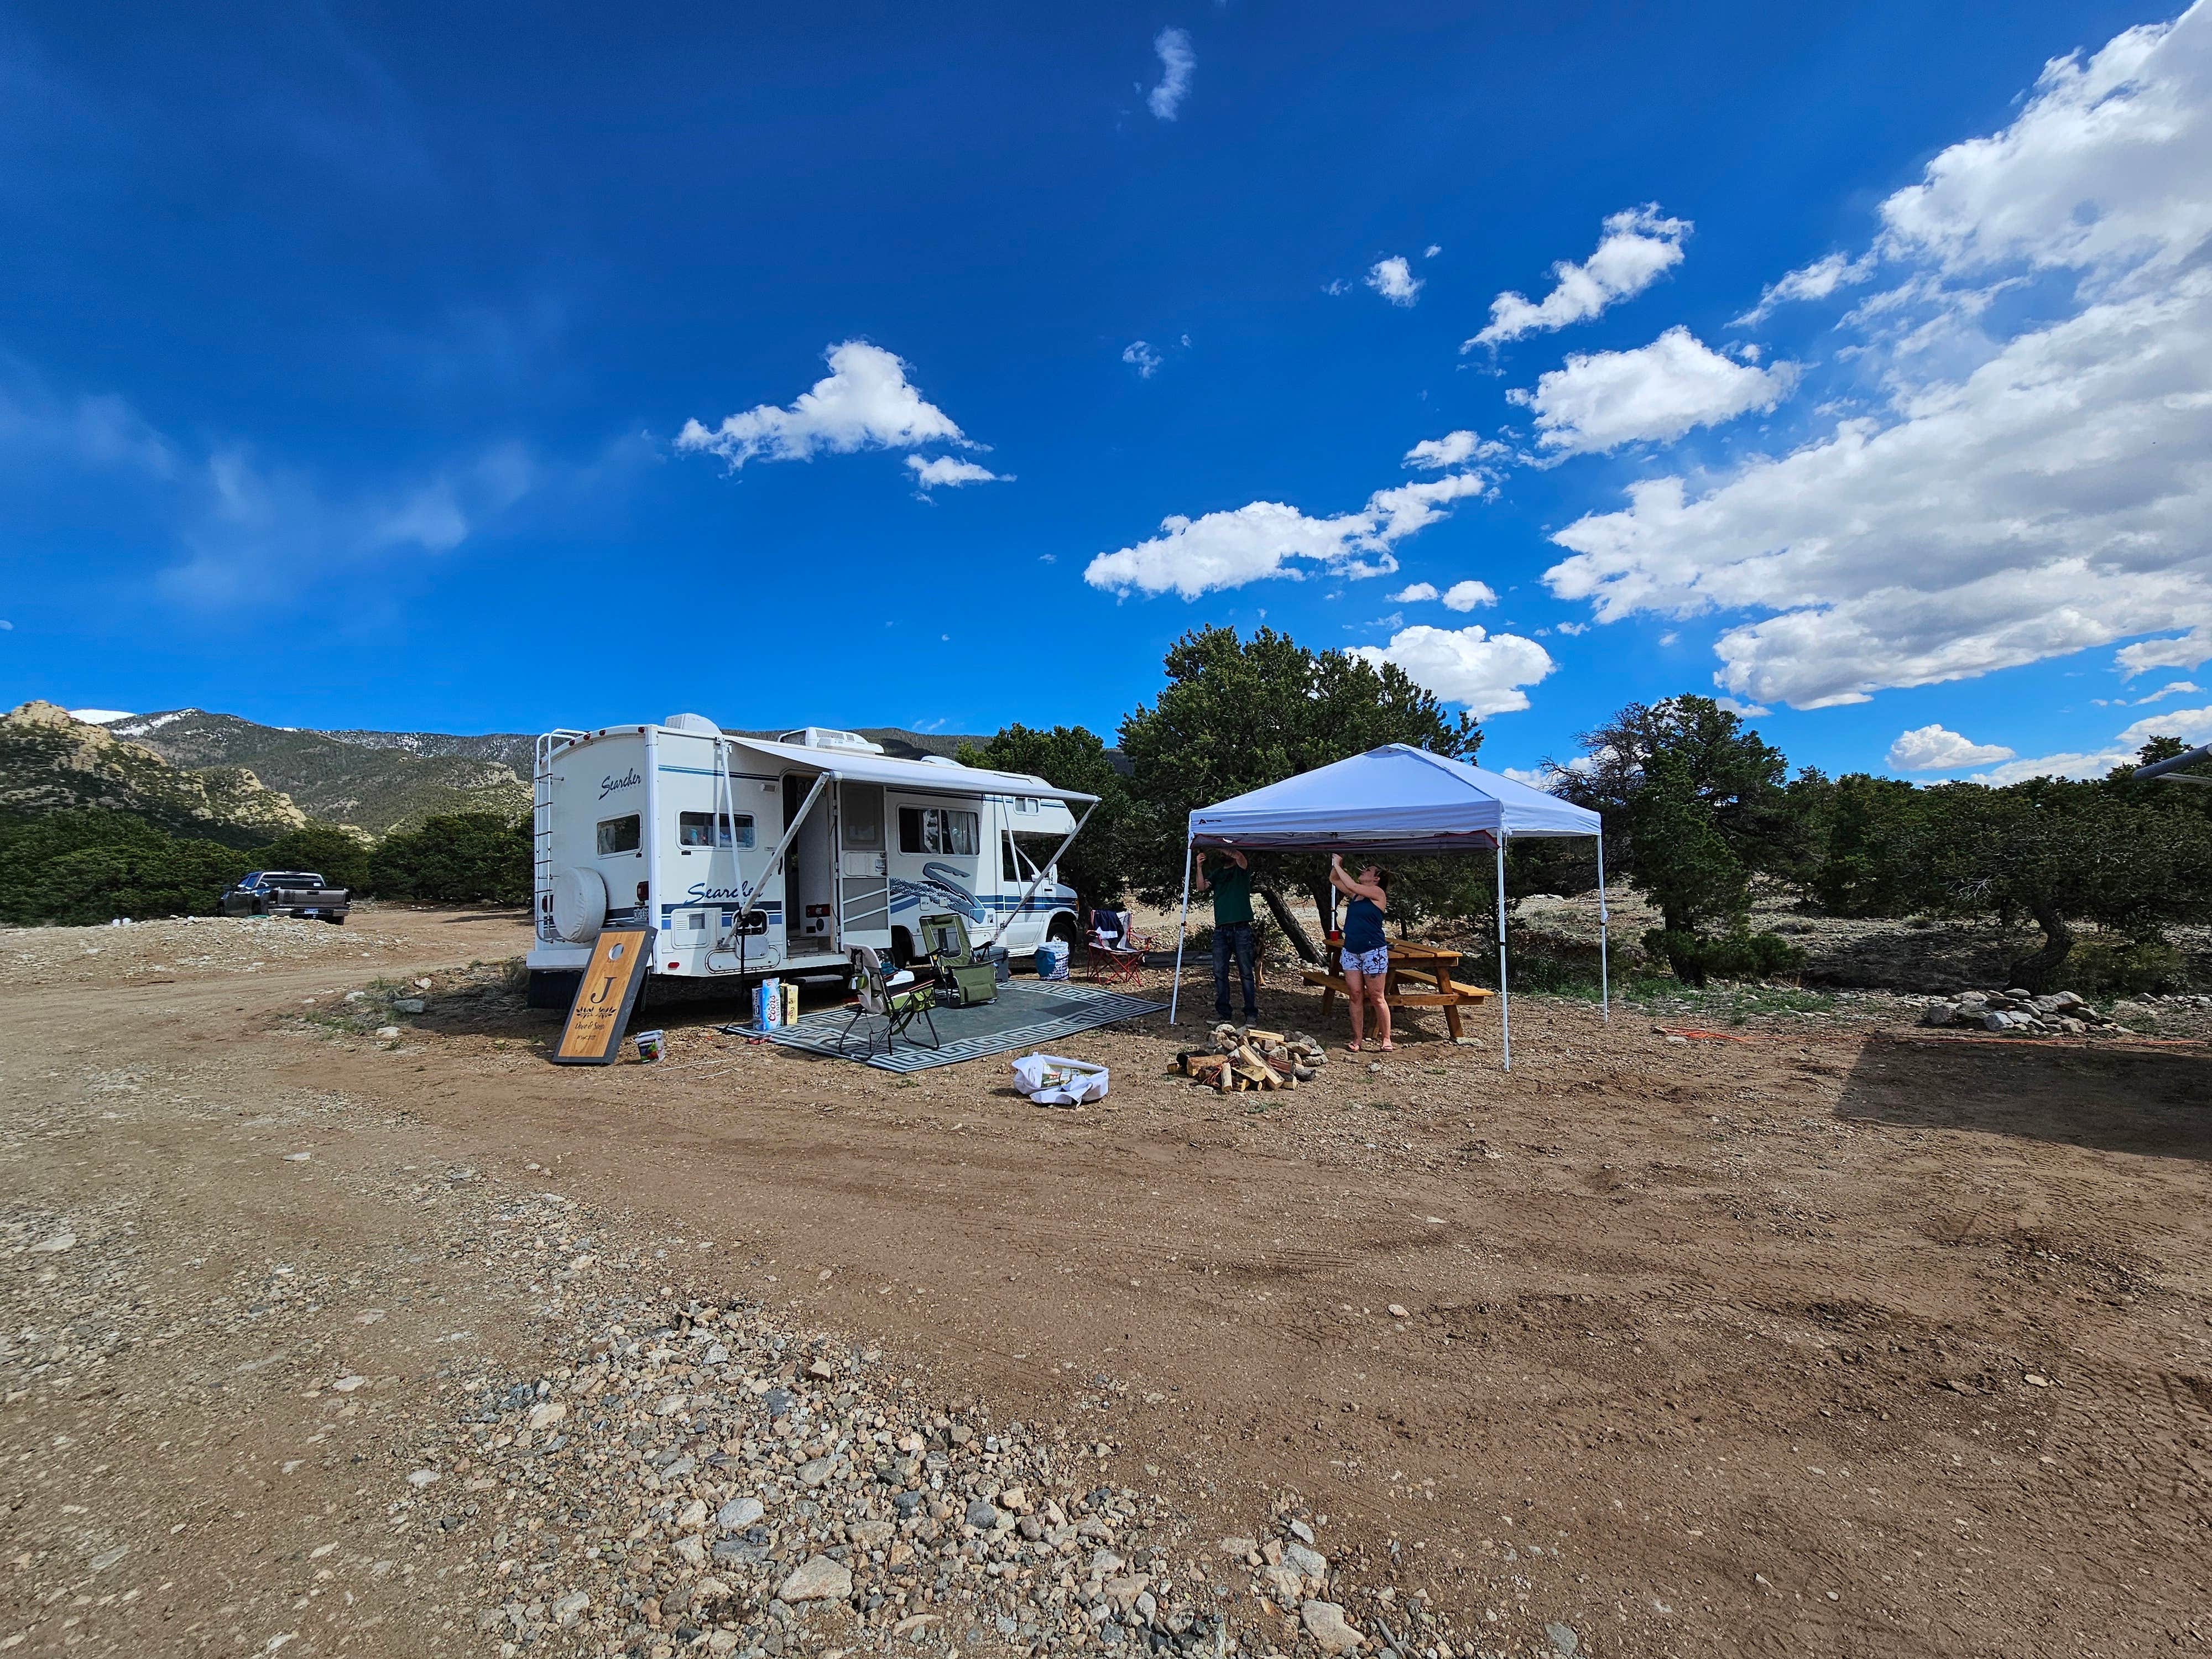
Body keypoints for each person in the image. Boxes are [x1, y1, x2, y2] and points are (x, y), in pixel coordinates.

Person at [1329, 853, 1392, 1052]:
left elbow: (1352, 884)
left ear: (1376, 878)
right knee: (1355, 994)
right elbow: (1334, 880)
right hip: (1351, 950)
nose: (1363, 872)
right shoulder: (1356, 896)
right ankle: (1357, 1039)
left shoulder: (1377, 893)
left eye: (1368, 870)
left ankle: (1386, 1038)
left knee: (1376, 996)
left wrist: (1338, 864)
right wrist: (1336, 865)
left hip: (1373, 950)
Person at [1193, 847, 1259, 1023]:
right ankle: (1224, 1014)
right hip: (1221, 930)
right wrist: (1199, 867)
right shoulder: (1217, 874)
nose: (1224, 855)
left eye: (1226, 852)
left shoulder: (1241, 870)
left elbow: (1240, 857)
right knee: (1219, 971)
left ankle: (1250, 1014)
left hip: (1241, 928)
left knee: (1246, 972)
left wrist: (1217, 843)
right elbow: (1201, 887)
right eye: (1222, 854)